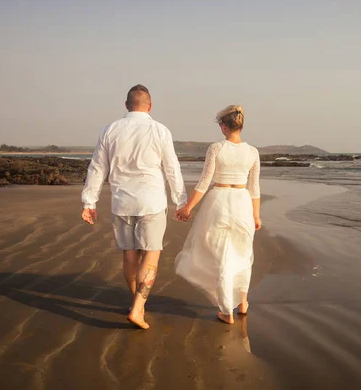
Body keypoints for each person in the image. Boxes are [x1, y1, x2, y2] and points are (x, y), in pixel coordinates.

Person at [81, 84, 187, 329]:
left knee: (130, 255)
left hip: (121, 203)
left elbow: (97, 168)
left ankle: (136, 302)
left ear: (126, 105)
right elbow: (172, 169)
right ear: (150, 106)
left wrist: (89, 202)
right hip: (151, 202)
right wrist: (180, 202)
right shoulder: (160, 131)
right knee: (151, 255)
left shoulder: (111, 130)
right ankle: (138, 308)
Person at [175, 105, 261, 324]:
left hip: (220, 202)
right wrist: (257, 215)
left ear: (224, 126)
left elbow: (205, 182)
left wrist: (188, 208)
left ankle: (226, 311)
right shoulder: (252, 152)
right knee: (242, 253)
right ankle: (242, 302)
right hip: (242, 203)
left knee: (222, 255)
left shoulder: (216, 148)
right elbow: (254, 188)